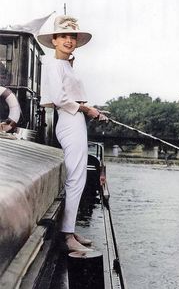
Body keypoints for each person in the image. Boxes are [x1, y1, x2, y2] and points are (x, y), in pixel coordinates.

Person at [37, 15, 108, 252]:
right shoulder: (55, 65)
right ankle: (67, 236)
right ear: (54, 40)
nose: (69, 40)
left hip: (75, 119)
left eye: (72, 36)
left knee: (78, 177)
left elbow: (71, 97)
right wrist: (87, 109)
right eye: (64, 36)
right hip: (69, 120)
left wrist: (93, 110)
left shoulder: (66, 64)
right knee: (76, 177)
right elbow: (59, 99)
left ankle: (70, 229)